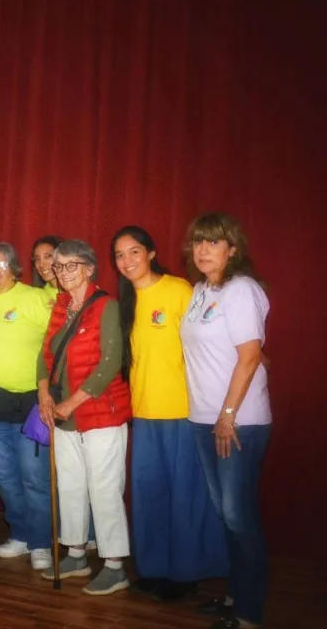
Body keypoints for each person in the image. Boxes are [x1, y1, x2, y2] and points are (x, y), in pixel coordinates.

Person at [111, 226, 228, 601]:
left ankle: (185, 571)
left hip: (182, 411)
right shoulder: (125, 301)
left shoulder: (179, 291)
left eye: (133, 252)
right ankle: (154, 567)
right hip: (144, 412)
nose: (126, 261)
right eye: (119, 255)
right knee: (148, 494)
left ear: (151, 252)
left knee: (185, 495)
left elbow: (210, 344)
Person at [180, 213, 270, 629]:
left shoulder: (241, 291)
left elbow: (250, 357)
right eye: (198, 242)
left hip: (238, 420)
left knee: (238, 516)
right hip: (203, 417)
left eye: (214, 242)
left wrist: (227, 416)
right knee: (224, 513)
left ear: (232, 249)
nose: (203, 249)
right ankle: (235, 595)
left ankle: (250, 612)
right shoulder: (201, 290)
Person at [36, 239, 132, 595]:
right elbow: (44, 355)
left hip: (99, 414)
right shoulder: (61, 306)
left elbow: (108, 364)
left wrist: (69, 404)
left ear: (89, 268)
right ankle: (76, 553)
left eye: (70, 265)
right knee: (70, 486)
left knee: (104, 489)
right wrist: (45, 395)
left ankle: (115, 564)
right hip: (63, 414)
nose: (63, 273)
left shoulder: (106, 306)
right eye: (58, 267)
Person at [0, 243, 53, 570]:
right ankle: (20, 534)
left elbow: (59, 345)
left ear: (15, 268)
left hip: (32, 404)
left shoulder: (35, 298)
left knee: (34, 477)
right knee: (3, 475)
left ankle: (41, 541)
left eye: (1, 263)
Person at [31, 235, 64, 307]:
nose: (41, 264)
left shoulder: (77, 292)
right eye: (37, 259)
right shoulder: (38, 295)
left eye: (47, 257)